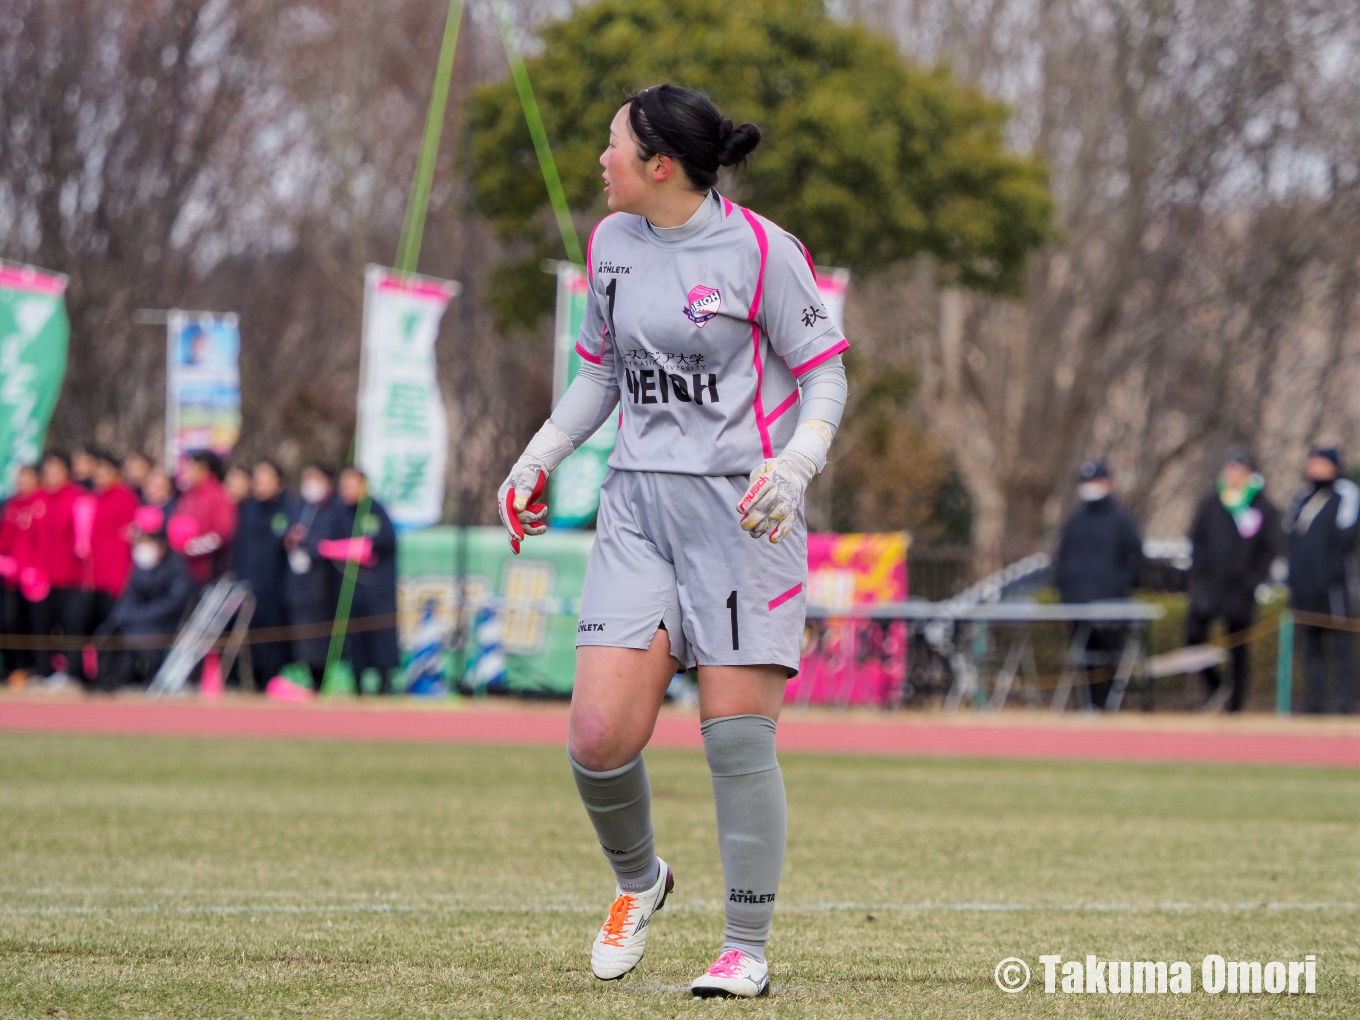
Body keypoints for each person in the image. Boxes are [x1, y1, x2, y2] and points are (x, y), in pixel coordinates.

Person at [496, 85, 847, 998]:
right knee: (597, 735)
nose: (599, 159)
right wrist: (536, 459)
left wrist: (796, 465)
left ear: (660, 165)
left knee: (735, 742)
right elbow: (599, 371)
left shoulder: (764, 251)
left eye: (612, 143)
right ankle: (639, 881)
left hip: (743, 519)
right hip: (636, 512)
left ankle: (745, 948)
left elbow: (825, 377)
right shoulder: (610, 243)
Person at [1185, 451, 1280, 711]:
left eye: (1238, 470)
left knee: (1238, 646)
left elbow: (1268, 548)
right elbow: (1197, 540)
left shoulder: (1263, 507)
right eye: (1229, 469)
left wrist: (1251, 579)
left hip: (1240, 590)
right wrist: (1200, 574)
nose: (1233, 475)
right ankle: (1215, 686)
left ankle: (1235, 704)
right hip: (1209, 585)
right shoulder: (1211, 503)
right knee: (1194, 635)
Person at [1053, 460, 1145, 710]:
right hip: (1077, 604)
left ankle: (1108, 705)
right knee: (1084, 657)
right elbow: (1061, 561)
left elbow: (1135, 560)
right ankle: (1088, 704)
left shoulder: (1122, 521)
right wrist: (1066, 594)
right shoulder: (1075, 522)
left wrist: (1120, 588)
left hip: (1111, 605)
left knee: (1109, 656)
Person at [1285, 446, 1357, 713]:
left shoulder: (1346, 493)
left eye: (1321, 463)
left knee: (1340, 644)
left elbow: (1346, 536)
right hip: (1304, 586)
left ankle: (1344, 702)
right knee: (1311, 645)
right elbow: (1290, 535)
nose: (1314, 468)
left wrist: (1327, 572)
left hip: (1333, 585)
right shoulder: (1302, 495)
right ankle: (1314, 702)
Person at [314, 467, 399, 694]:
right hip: (350, 590)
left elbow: (384, 541)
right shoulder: (338, 512)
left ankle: (384, 682)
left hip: (377, 591)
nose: (347, 490)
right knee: (354, 638)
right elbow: (324, 543)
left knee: (380, 636)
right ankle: (357, 681)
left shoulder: (375, 510)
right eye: (344, 486)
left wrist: (360, 548)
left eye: (351, 485)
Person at [91, 508, 194, 691]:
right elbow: (129, 594)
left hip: (164, 623)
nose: (142, 546)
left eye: (147, 541)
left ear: (160, 545)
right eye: (141, 541)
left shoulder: (176, 567)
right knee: (108, 632)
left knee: (132, 637)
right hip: (138, 619)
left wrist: (139, 616)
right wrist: (120, 617)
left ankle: (124, 680)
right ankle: (103, 681)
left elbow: (172, 603)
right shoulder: (140, 565)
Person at [232, 459, 297, 685]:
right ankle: (253, 676)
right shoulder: (248, 510)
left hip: (277, 586)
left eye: (266, 478)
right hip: (249, 584)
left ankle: (274, 676)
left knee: (274, 634)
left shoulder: (289, 509)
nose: (260, 482)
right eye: (257, 478)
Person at [29, 452, 91, 685]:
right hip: (41, 577)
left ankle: (71, 672)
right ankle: (43, 671)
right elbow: (29, 539)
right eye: (47, 470)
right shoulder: (36, 498)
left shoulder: (78, 497)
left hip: (71, 576)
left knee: (72, 624)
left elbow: (84, 536)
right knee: (41, 625)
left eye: (56, 470)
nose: (51, 475)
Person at [285, 463, 338, 689]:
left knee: (320, 636)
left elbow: (333, 541)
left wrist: (312, 549)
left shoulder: (335, 509)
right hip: (299, 585)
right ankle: (304, 676)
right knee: (301, 635)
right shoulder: (300, 508)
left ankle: (321, 678)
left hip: (324, 584)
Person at [86, 450, 140, 637]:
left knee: (111, 623)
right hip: (94, 572)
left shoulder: (125, 497)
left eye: (104, 471)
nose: (99, 476)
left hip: (114, 574)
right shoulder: (93, 498)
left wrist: (119, 577)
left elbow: (126, 539)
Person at [170, 450, 237, 587]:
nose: (187, 471)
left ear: (203, 468)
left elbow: (223, 534)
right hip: (181, 568)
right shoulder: (188, 494)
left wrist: (193, 548)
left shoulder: (218, 495)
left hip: (206, 570)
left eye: (190, 466)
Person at [0, 465, 41, 683]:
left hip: (35, 578)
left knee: (31, 622)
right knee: (8, 620)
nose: (21, 483)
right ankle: (12, 666)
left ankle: (29, 666)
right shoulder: (12, 505)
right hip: (11, 577)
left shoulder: (39, 503)